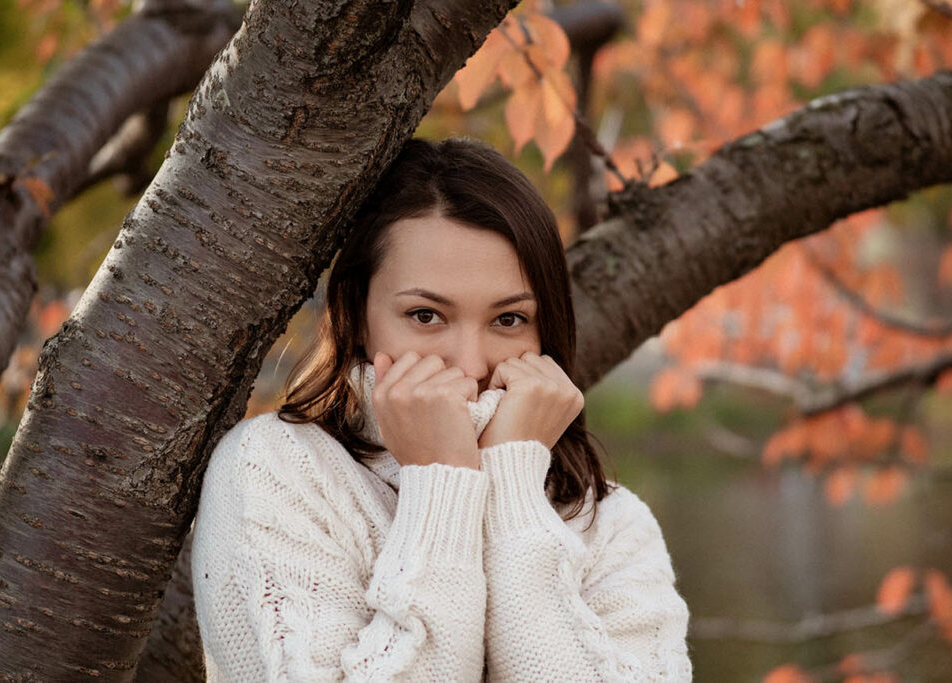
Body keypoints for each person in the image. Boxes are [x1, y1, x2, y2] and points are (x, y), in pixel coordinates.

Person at [190, 137, 692, 681]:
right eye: (426, 315)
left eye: (508, 320)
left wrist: (511, 486)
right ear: (358, 314)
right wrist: (442, 483)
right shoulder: (276, 471)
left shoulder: (609, 523)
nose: (471, 364)